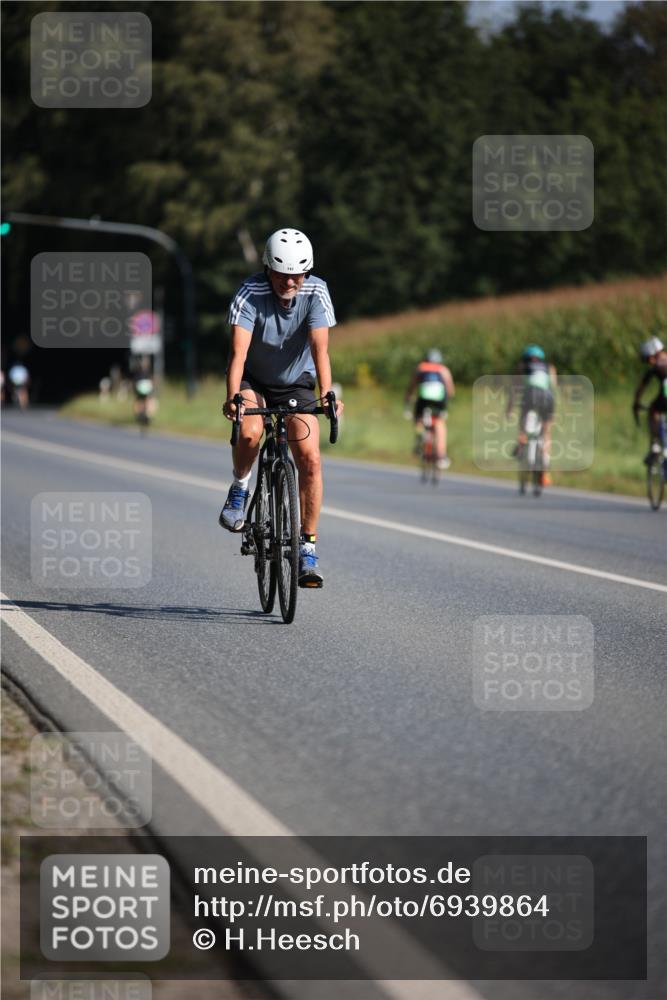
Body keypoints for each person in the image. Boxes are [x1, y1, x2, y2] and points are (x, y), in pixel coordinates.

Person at [219, 228, 343, 589]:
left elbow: (320, 351)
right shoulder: (250, 292)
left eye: (297, 274)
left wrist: (328, 395)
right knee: (250, 430)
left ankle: (307, 547)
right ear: (267, 269)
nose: (290, 281)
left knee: (311, 457)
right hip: (252, 380)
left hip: (295, 383)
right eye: (282, 273)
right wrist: (233, 398)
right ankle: (240, 487)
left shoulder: (316, 291)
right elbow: (238, 354)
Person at [507, 344, 557, 487]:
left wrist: (509, 409)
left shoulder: (523, 366)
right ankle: (545, 466)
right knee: (546, 432)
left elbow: (515, 390)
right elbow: (553, 387)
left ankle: (522, 440)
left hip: (530, 396)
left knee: (523, 420)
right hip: (547, 399)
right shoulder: (549, 367)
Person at [404, 349, 455, 469]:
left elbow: (412, 386)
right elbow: (450, 389)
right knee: (440, 423)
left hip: (423, 398)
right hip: (439, 399)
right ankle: (441, 455)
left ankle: (420, 434)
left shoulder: (421, 368)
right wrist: (448, 400)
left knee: (418, 417)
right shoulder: (443, 369)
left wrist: (407, 399)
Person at [632, 337, 667, 464]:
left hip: (665, 397)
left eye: (648, 359)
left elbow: (641, 388)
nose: (650, 362)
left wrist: (636, 403)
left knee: (653, 409)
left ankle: (655, 447)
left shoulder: (658, 365)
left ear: (653, 354)